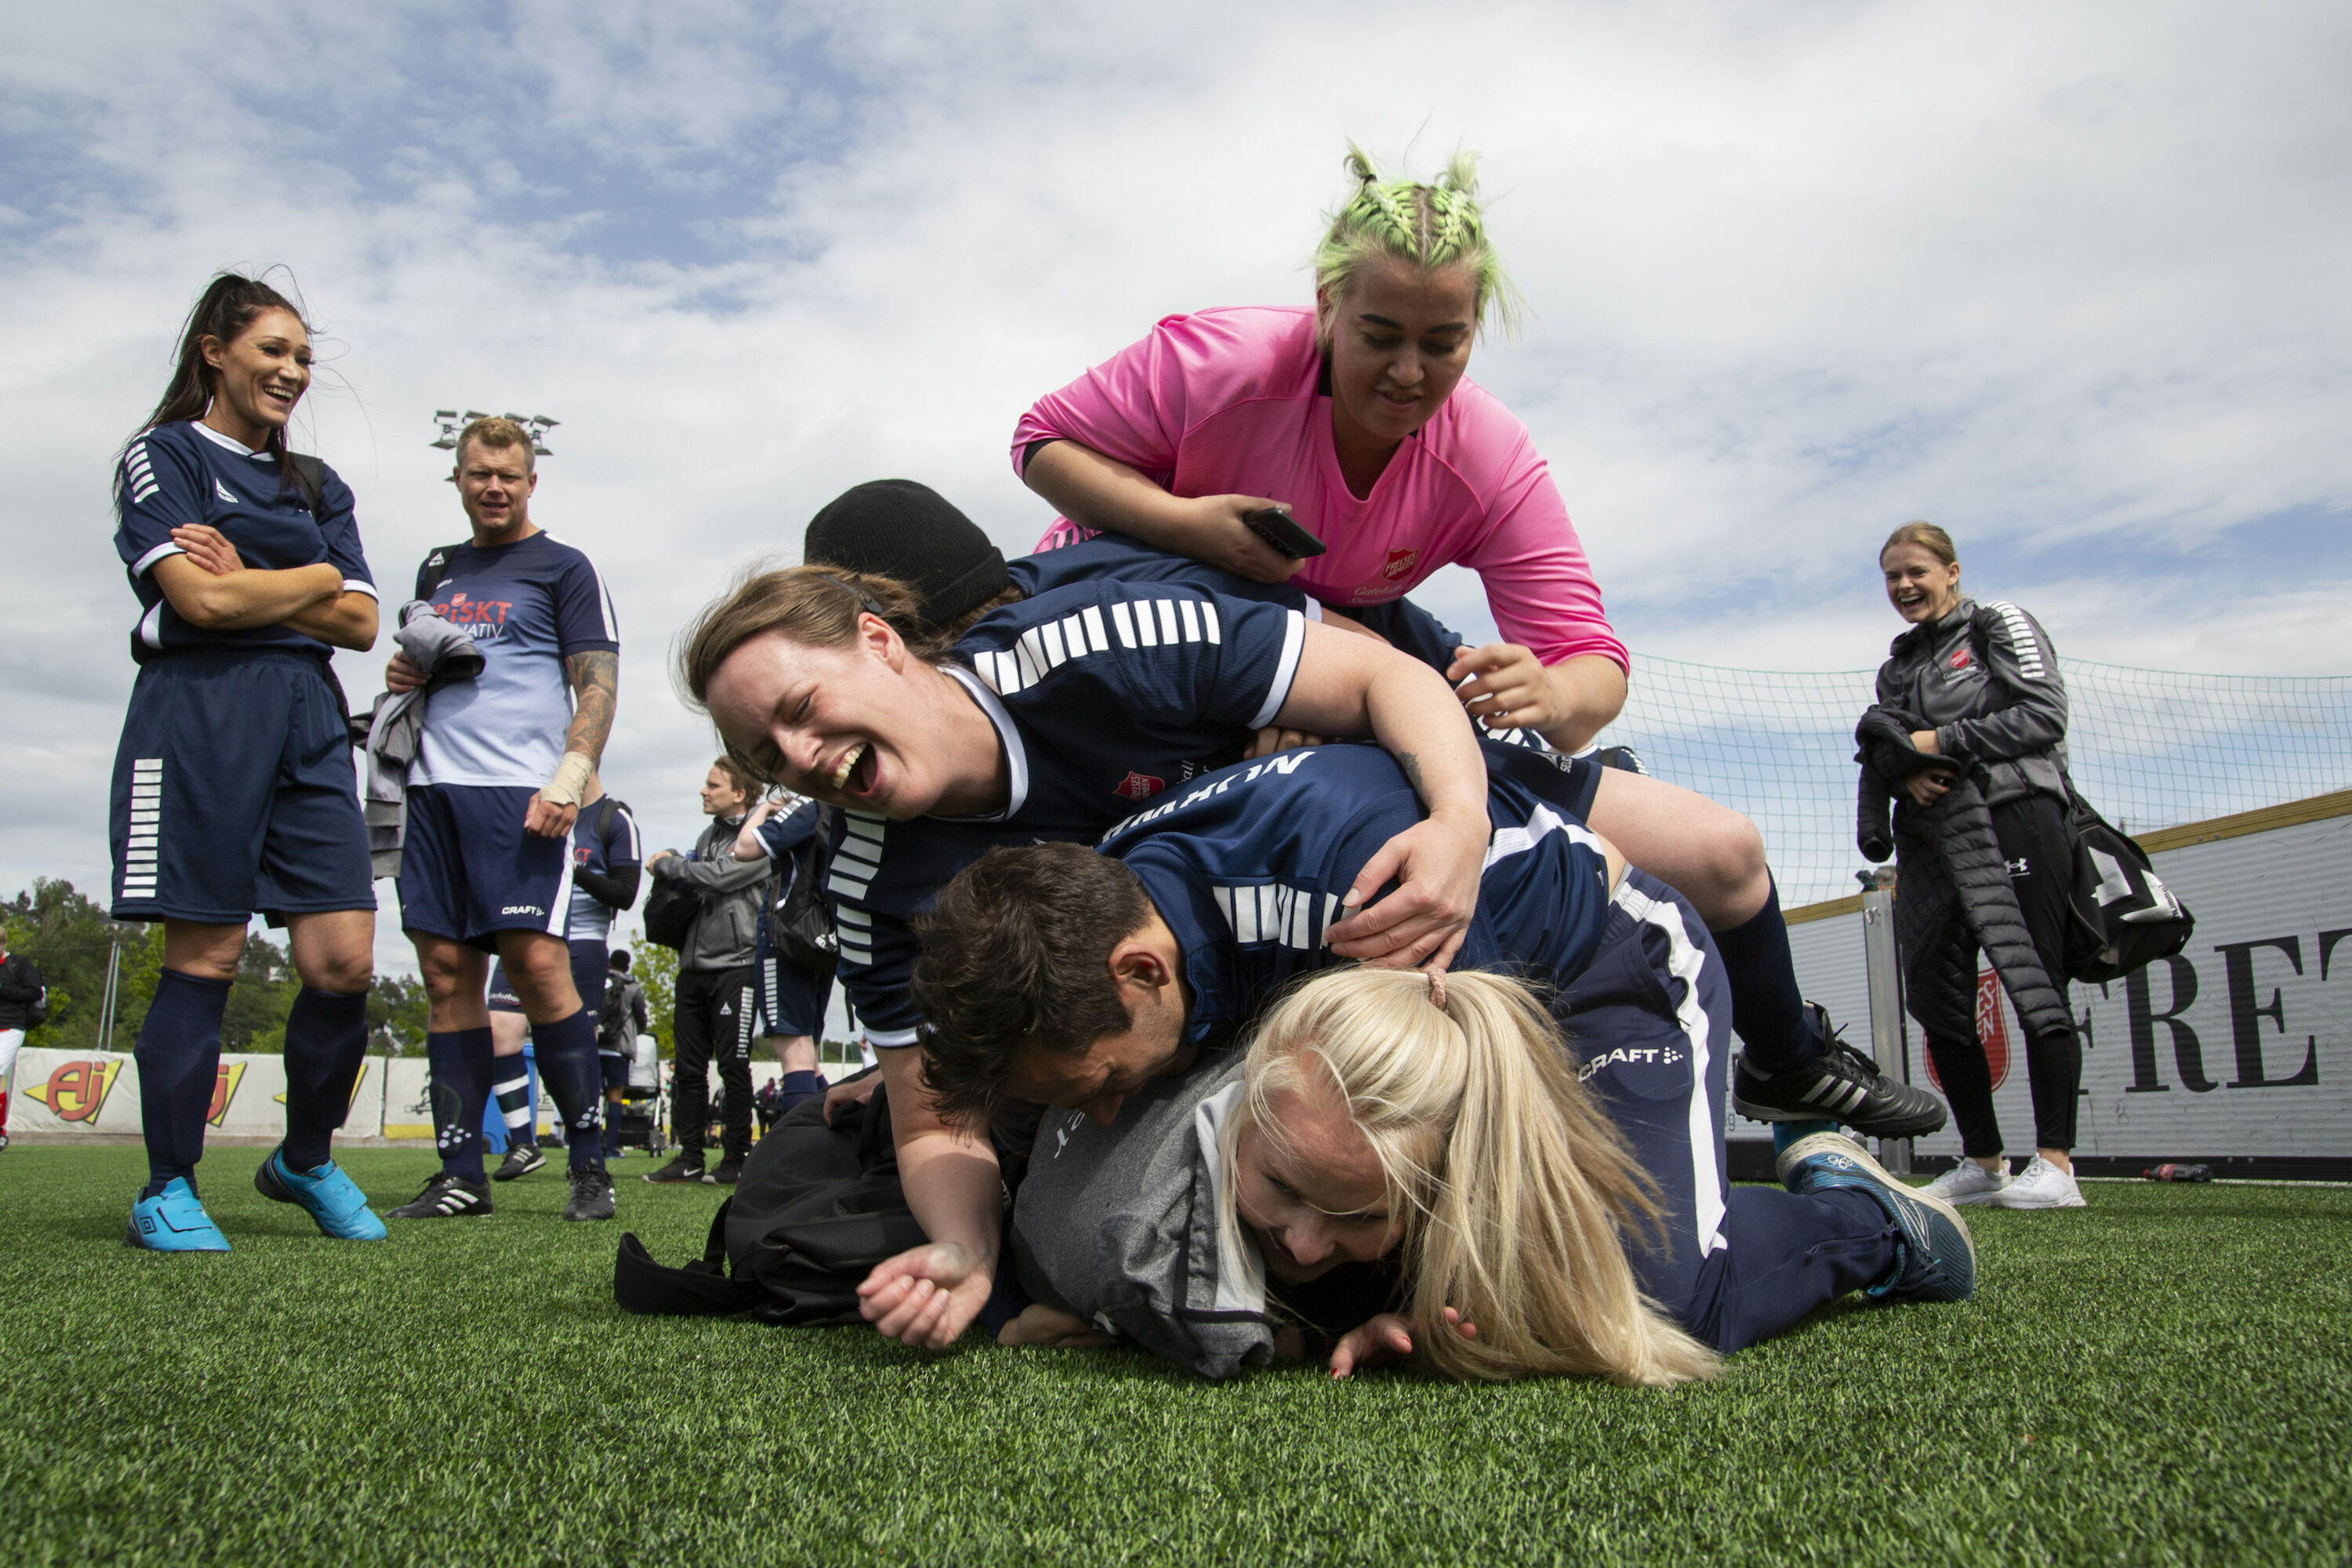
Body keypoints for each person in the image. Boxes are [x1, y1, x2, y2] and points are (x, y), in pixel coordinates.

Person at [1014, 148, 1938, 1142]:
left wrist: (1551, 691)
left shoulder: (1485, 454)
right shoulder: (1221, 363)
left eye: (1443, 342)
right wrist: (1194, 528)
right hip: (1156, 658)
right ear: (1327, 303)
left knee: (1726, 854)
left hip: (1363, 671)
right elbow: (1041, 443)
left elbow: (1594, 665)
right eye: (1380, 336)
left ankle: (1787, 1060)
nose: (1410, 373)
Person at [677, 484, 1496, 1347]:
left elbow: (1381, 672)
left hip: (1329, 959)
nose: (803, 756)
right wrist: (964, 1244)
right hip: (1143, 1050)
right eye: (771, 755)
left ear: (879, 640)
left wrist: (1457, 817)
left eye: (802, 708)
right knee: (1079, 1226)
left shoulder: (1096, 641)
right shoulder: (861, 877)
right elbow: (938, 1118)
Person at [905, 746, 1975, 1374]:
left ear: (1143, 972)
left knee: (1651, 1300)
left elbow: (1579, 901)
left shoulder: (1361, 883)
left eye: (1100, 1088)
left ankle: (1871, 1221)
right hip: (1404, 996)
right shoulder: (1106, 915)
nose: (1099, 1118)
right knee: (1311, 1190)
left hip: (1591, 966)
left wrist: (1481, 1296)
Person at [106, 273, 386, 1250]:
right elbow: (201, 605)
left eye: (304, 356)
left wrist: (263, 571)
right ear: (214, 351)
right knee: (209, 953)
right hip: (201, 714)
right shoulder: (163, 455)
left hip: (310, 716)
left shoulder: (318, 485)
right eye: (274, 350)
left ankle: (303, 1158)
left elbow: (359, 620)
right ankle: (168, 1186)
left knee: (343, 958)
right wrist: (310, 574)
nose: (293, 370)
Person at [384, 416, 621, 1224]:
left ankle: (589, 1163)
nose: (494, 486)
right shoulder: (438, 566)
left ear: (530, 482)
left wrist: (568, 777)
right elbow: (428, 663)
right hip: (432, 791)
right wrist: (405, 671)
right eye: (480, 473)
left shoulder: (563, 566)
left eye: (508, 476)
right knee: (446, 976)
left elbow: (596, 685)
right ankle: (461, 1172)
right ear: (458, 477)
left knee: (536, 968)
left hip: (522, 794)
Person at [1867, 523, 2085, 1210]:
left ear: (1953, 571)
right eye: (1893, 577)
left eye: (1917, 572)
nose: (1905, 586)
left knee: (2035, 980)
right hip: (1931, 839)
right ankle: (1984, 1162)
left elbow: (2044, 716)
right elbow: (1886, 750)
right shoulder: (1896, 665)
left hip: (2019, 812)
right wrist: (1902, 778)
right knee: (1936, 995)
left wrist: (1938, 742)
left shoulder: (2000, 623)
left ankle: (2056, 1165)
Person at [487, 778, 641, 1179]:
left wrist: (574, 872)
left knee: (577, 1039)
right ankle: (522, 1143)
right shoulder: (529, 804)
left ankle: (584, 1147)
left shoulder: (614, 818)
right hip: (525, 928)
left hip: (582, 941)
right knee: (499, 1030)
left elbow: (625, 893)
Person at [641, 758, 773, 1185]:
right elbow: (700, 871)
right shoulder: (706, 835)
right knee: (688, 1069)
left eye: (712, 785)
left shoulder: (760, 839)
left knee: (733, 1065)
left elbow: (719, 877)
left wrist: (667, 864)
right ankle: (690, 1157)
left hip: (736, 969)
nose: (704, 790)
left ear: (740, 794)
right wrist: (681, 862)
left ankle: (736, 1158)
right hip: (692, 969)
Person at [734, 791, 833, 1114]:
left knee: (794, 1050)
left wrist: (763, 808)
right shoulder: (843, 807)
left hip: (787, 936)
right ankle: (830, 1146)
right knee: (810, 1053)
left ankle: (802, 1156)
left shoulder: (806, 805)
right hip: (824, 936)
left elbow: (744, 848)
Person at [596, 948, 652, 1158]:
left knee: (593, 1096)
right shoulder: (633, 988)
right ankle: (610, 1149)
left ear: (609, 964)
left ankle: (591, 1144)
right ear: (628, 966)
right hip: (619, 1049)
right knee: (615, 1096)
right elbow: (642, 1020)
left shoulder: (599, 981)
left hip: (595, 1046)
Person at [0, 924, 48, 1152]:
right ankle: (1, 1132)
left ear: (3, 944)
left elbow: (36, 992)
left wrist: (6, 991)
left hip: (12, 1027)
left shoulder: (18, 964)